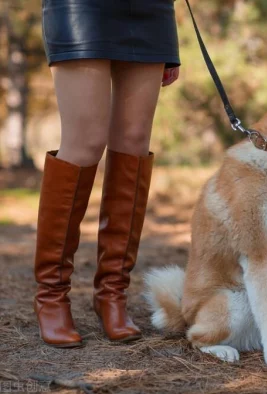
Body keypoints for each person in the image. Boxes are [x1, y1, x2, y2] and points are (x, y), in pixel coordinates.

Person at [34, 0, 180, 347]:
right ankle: (51, 296)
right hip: (80, 6)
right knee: (84, 142)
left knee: (133, 142)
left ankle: (112, 294)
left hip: (150, 9)